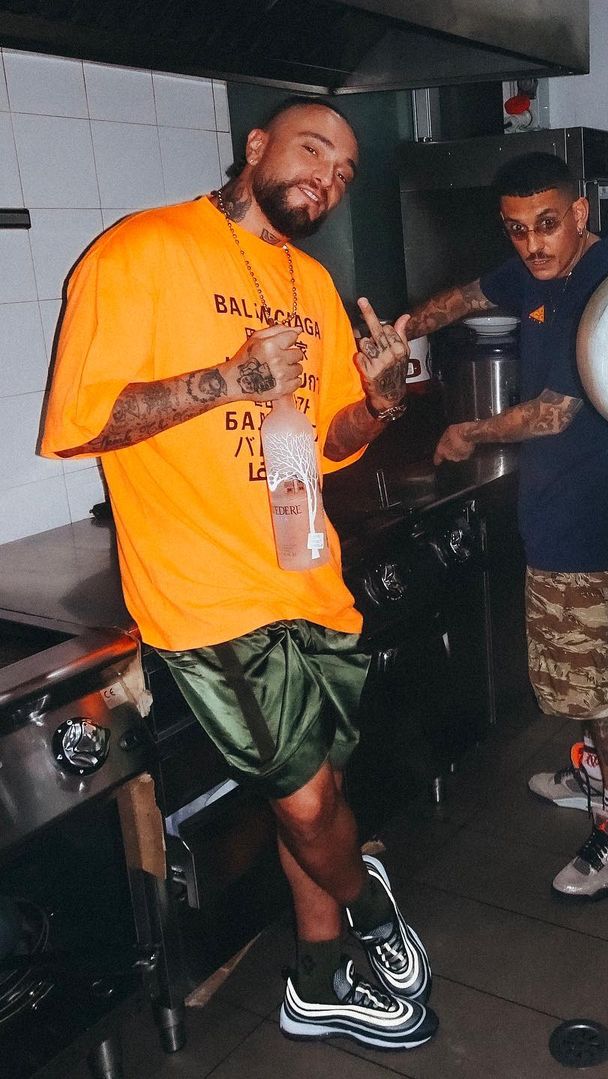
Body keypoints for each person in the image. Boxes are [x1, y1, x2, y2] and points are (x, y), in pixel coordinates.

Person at [40, 97, 438, 1051]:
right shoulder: (139, 251)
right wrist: (228, 379)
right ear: (256, 146)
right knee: (308, 801)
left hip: (309, 576)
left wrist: (381, 403)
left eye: (344, 171)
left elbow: (330, 439)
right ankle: (369, 902)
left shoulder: (311, 280)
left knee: (315, 795)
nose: (328, 179)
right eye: (313, 150)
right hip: (209, 596)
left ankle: (317, 979)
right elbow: (81, 421)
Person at [403, 152, 608, 899]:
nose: (532, 243)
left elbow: (553, 413)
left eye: (547, 224)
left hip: (591, 512)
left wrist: (467, 433)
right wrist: (400, 330)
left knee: (595, 676)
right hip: (557, 506)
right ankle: (594, 776)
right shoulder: (537, 270)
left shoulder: (603, 289)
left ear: (579, 214)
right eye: (516, 229)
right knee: (576, 665)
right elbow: (469, 296)